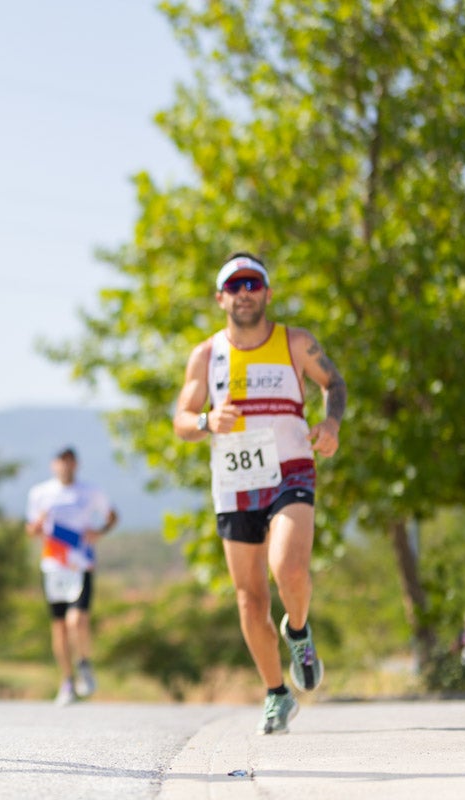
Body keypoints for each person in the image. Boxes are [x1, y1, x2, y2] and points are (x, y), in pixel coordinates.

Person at [173, 252, 346, 735]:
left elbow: (334, 382)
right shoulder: (206, 356)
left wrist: (331, 422)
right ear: (220, 297)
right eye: (235, 285)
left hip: (290, 469)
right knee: (250, 600)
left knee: (288, 567)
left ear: (267, 293)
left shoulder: (295, 343)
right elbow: (182, 421)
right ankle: (276, 693)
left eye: (253, 283)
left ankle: (298, 631)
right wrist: (207, 420)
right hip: (235, 481)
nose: (244, 292)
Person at [25, 446, 118, 704]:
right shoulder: (40, 493)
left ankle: (84, 663)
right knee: (60, 626)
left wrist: (99, 532)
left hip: (80, 563)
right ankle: (67, 681)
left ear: (76, 465)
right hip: (54, 566)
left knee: (77, 620)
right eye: (61, 462)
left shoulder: (90, 492)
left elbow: (112, 516)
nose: (65, 467)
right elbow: (31, 530)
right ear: (53, 465)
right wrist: (37, 525)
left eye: (70, 462)